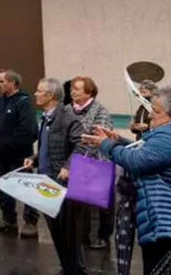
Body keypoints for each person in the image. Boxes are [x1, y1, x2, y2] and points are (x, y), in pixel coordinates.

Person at [84, 85, 171, 275]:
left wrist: (107, 145)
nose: (150, 116)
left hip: (163, 223)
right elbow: (146, 151)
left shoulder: (167, 135)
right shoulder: (164, 134)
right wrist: (118, 141)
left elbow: (139, 161)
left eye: (156, 112)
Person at [24, 78, 85, 275]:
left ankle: (76, 269)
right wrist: (34, 159)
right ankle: (66, 267)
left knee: (69, 232)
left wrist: (68, 167)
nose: (35, 94)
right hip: (46, 180)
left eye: (39, 91)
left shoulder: (67, 116)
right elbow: (48, 146)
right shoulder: (46, 117)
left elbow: (81, 145)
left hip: (62, 182)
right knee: (56, 229)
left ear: (50, 95)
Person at [0, 69, 40, 238]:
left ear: (12, 83)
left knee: (26, 188)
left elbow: (28, 130)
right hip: (0, 155)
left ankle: (30, 221)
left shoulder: (23, 103)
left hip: (20, 155)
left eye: (2, 81)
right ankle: (8, 218)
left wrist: (11, 145)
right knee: (4, 187)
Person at [71, 75, 115, 250]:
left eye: (77, 89)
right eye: (72, 89)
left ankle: (102, 236)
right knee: (81, 204)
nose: (73, 92)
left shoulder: (100, 111)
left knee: (100, 204)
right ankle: (83, 236)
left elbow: (99, 136)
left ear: (89, 92)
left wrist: (78, 139)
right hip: (78, 161)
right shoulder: (68, 110)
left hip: (98, 162)